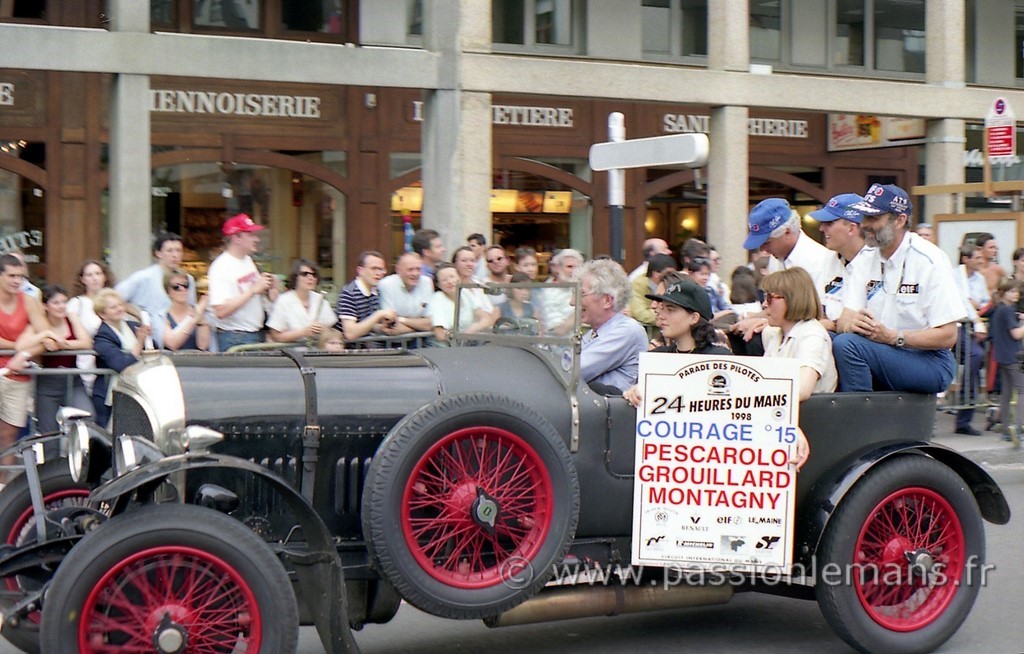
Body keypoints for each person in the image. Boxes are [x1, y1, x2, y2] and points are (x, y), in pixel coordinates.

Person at [624, 275, 809, 470]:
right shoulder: (657, 358)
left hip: (710, 463)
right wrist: (633, 392)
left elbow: (748, 402)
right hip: (669, 464)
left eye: (670, 310)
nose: (660, 315)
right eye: (661, 309)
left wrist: (788, 429)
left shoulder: (719, 358)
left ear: (693, 317)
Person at [833, 184, 964, 393]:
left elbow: (948, 336)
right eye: (864, 217)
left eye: (873, 218)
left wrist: (893, 336)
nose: (864, 225)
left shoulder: (930, 260)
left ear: (900, 220)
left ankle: (860, 418)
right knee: (827, 340)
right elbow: (844, 319)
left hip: (928, 360)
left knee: (847, 345)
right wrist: (852, 323)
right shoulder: (865, 258)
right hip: (880, 350)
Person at [18, 284, 93, 432]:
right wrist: (44, 340)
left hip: (73, 378)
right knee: (48, 430)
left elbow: (86, 342)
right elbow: (24, 344)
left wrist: (61, 344)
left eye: (64, 302)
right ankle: (51, 455)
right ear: (46, 306)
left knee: (87, 418)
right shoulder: (39, 322)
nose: (61, 306)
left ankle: (80, 453)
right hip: (48, 380)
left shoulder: (71, 318)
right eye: (56, 303)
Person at [0, 254, 51, 462]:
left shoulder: (28, 301)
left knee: (10, 435)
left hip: (18, 376)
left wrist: (25, 353)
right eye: (11, 276)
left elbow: (49, 337)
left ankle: (4, 488)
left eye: (20, 276)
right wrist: (19, 346)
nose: (17, 281)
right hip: (7, 368)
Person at [760, 269, 838, 398]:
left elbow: (802, 389)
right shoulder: (777, 335)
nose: (764, 304)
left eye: (769, 298)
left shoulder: (812, 336)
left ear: (792, 299)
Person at [575, 259, 648, 394]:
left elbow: (573, 371)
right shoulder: (593, 333)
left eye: (581, 294)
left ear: (607, 301)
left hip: (611, 411)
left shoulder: (627, 330)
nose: (572, 302)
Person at [208, 213, 279, 351]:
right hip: (235, 337)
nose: (257, 239)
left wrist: (268, 287)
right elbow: (221, 311)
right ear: (236, 238)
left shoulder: (247, 260)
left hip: (254, 334)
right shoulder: (221, 267)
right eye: (251, 235)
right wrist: (253, 290)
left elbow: (254, 292)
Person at [115, 232, 196, 348]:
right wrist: (141, 316)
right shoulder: (144, 277)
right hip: (155, 337)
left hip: (183, 335)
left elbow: (191, 306)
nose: (175, 255)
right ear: (158, 253)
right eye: (170, 251)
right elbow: (115, 297)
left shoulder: (188, 279)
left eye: (179, 250)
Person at [90, 289, 151, 427]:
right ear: (102, 314)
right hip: (109, 394)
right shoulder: (102, 336)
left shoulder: (132, 326)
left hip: (136, 391)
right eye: (113, 307)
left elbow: (153, 348)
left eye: (120, 305)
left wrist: (147, 336)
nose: (119, 309)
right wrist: (140, 343)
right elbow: (120, 364)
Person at [811, 192, 869, 332]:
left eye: (829, 223)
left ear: (851, 228)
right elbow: (820, 311)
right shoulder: (827, 260)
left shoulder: (877, 264)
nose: (821, 228)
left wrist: (832, 325)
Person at [951, 244, 991, 434]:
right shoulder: (954, 276)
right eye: (976, 257)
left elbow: (985, 300)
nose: (980, 260)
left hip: (973, 325)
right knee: (976, 355)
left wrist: (979, 306)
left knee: (975, 361)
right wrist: (975, 319)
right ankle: (964, 394)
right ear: (966, 259)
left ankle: (964, 418)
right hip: (957, 325)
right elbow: (959, 301)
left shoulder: (980, 279)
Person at [67, 259, 115, 395]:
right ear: (82, 279)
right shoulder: (77, 303)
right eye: (89, 275)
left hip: (111, 360)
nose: (94, 278)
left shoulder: (114, 302)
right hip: (87, 363)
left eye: (98, 274)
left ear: (104, 277)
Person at [989, 279, 1024, 447]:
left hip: (1002, 355)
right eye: (1012, 291)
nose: (1016, 294)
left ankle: (1004, 428)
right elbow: (1016, 334)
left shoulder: (999, 310)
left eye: (1017, 291)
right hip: (1014, 355)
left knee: (1007, 392)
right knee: (1022, 391)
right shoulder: (1008, 310)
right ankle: (1019, 426)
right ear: (1004, 293)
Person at [336, 251, 398, 346]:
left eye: (381, 269)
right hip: (348, 352)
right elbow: (350, 333)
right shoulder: (349, 293)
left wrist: (381, 328)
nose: (378, 273)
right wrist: (379, 315)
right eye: (374, 269)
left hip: (368, 349)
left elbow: (367, 325)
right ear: (360, 270)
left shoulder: (376, 291)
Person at [265, 259, 334, 344]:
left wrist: (322, 329)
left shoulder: (321, 300)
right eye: (305, 274)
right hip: (292, 353)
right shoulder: (283, 301)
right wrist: (303, 332)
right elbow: (276, 336)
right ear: (295, 277)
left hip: (318, 353)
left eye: (314, 275)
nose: (310, 278)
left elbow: (331, 331)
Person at [426, 263, 494, 344]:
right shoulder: (437, 298)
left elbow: (485, 318)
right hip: (445, 347)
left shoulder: (465, 293)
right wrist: (460, 337)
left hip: (467, 342)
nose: (450, 282)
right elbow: (440, 334)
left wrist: (470, 331)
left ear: (459, 278)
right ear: (438, 284)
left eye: (452, 277)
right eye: (444, 280)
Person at [378, 252, 434, 335]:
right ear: (398, 270)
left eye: (418, 269)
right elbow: (390, 326)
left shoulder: (426, 282)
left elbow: (431, 323)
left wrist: (402, 320)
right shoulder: (386, 284)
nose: (415, 274)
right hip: (390, 342)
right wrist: (420, 326)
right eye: (410, 269)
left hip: (420, 341)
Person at [535, 248, 583, 336]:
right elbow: (558, 331)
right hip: (559, 346)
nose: (574, 271)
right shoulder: (548, 293)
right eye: (569, 267)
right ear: (558, 268)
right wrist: (582, 310)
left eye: (578, 267)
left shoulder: (582, 288)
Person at [162, 269, 211, 351]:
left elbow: (203, 346)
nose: (182, 289)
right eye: (176, 287)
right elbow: (172, 344)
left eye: (186, 285)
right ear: (168, 291)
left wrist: (200, 319)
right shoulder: (163, 316)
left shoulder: (199, 311)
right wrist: (194, 318)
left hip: (195, 361)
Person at [629, 253, 677, 328]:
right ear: (655, 274)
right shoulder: (638, 285)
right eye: (669, 274)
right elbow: (641, 314)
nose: (672, 277)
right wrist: (670, 316)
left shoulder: (674, 284)